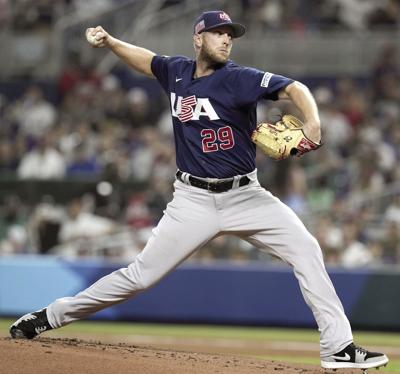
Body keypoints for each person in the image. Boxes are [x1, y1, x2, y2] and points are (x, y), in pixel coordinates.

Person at [10, 10, 388, 371]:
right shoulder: (176, 71)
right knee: (140, 277)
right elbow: (147, 60)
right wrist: (110, 41)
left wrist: (314, 123)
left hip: (246, 196)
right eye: (219, 33)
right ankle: (50, 316)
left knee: (307, 249)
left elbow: (295, 87)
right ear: (198, 39)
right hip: (192, 200)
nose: (227, 40)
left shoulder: (238, 78)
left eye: (231, 35)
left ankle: (338, 347)